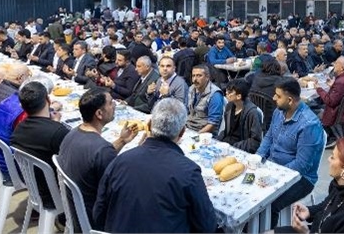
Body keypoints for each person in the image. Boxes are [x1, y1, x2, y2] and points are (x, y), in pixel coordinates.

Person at [93, 98, 217, 233]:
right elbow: (207, 226)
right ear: (182, 132)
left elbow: (98, 215)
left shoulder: (120, 161)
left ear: (150, 125)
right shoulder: (188, 172)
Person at [58, 88, 140, 228]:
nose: (114, 105)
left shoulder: (72, 134)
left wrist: (122, 140)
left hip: (75, 212)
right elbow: (120, 192)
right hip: (95, 219)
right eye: (110, 103)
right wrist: (143, 152)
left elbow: (97, 158)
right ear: (99, 113)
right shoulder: (102, 150)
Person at [257, 77, 325, 228]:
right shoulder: (279, 111)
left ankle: (268, 230)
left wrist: (273, 174)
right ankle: (252, 228)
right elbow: (269, 136)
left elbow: (301, 165)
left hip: (301, 178)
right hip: (273, 167)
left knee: (269, 203)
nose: (274, 98)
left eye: (278, 96)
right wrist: (258, 157)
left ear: (289, 100)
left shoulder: (309, 125)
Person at [277, 138, 344, 234]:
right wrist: (309, 212)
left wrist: (306, 232)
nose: (328, 159)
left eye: (333, 157)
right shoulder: (341, 186)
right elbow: (326, 205)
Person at [11, 81, 69, 209]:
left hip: (34, 187)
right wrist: (56, 125)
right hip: (56, 194)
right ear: (48, 100)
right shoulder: (57, 132)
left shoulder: (18, 128)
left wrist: (54, 124)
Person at [315, 57, 344, 145]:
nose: (334, 66)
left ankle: (330, 137)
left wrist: (319, 89)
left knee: (313, 111)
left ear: (342, 67)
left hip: (337, 112)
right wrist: (333, 86)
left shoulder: (340, 82)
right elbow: (342, 91)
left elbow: (330, 101)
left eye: (336, 64)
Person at [216, 79, 263, 153]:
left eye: (230, 92)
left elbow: (255, 142)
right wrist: (217, 141)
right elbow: (226, 131)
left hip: (241, 148)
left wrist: (234, 147)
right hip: (227, 144)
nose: (226, 93)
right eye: (227, 90)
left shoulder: (252, 113)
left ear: (238, 96)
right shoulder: (229, 106)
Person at [186, 64, 224, 133]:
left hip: (204, 132)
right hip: (189, 126)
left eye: (199, 76)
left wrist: (196, 135)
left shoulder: (215, 95)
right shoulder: (191, 89)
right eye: (193, 76)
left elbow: (212, 124)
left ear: (207, 77)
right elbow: (186, 111)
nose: (195, 79)